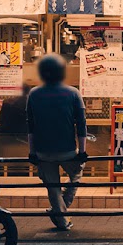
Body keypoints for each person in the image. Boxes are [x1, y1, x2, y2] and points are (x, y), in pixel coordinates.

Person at [26, 53, 87, 231]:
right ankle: (61, 212)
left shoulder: (34, 93)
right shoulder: (73, 93)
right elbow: (81, 125)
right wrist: (82, 151)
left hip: (43, 151)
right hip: (67, 150)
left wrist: (32, 151)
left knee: (53, 187)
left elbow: (31, 126)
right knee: (76, 174)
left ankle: (61, 217)